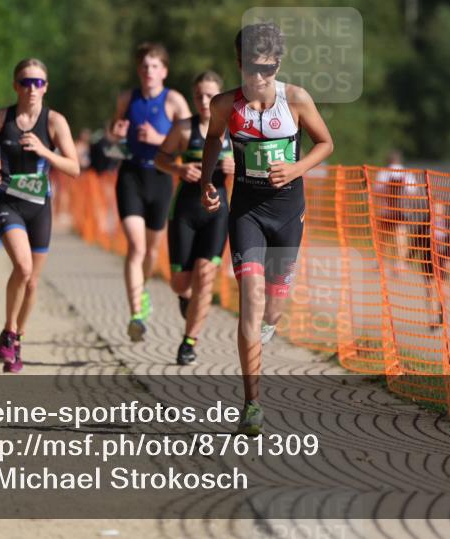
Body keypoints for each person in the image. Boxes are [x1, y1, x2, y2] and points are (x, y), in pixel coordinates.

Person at [201, 22, 333, 435]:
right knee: (251, 300)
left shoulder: (295, 99)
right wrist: (208, 182)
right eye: (252, 68)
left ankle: (265, 331)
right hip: (247, 212)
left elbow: (325, 143)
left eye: (268, 68)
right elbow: (211, 141)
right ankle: (252, 402)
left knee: (273, 310)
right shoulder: (225, 104)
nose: (260, 77)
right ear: (239, 62)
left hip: (288, 212)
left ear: (278, 63)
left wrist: (295, 168)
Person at [0, 58, 80, 372]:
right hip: (8, 202)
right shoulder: (0, 117)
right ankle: (8, 332)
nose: (32, 88)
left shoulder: (54, 122)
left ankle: (18, 339)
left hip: (39, 207)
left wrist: (45, 151)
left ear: (45, 87)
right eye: (25, 82)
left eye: (38, 82)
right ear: (15, 86)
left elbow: (74, 167)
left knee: (32, 282)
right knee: (22, 267)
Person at [108, 43, 191, 342]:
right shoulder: (127, 98)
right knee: (136, 247)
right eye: (144, 66)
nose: (148, 71)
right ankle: (136, 315)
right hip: (131, 174)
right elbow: (112, 130)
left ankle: (142, 292)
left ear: (164, 71)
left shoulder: (175, 101)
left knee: (152, 250)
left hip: (161, 177)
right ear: (139, 71)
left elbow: (193, 139)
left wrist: (160, 138)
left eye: (154, 66)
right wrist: (114, 133)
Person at [155, 71, 234, 365]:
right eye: (199, 95)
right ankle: (185, 298)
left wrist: (236, 166)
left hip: (217, 212)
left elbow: (254, 162)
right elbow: (159, 159)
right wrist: (178, 170)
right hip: (185, 211)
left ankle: (189, 341)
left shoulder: (232, 129)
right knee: (180, 282)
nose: (204, 101)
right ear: (193, 97)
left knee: (205, 274)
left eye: (210, 95)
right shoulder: (184, 129)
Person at [376, 150, 441, 325]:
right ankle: (399, 263)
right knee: (401, 236)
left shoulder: (384, 173)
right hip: (401, 211)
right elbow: (412, 191)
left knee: (384, 238)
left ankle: (382, 262)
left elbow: (377, 189)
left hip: (386, 211)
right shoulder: (405, 173)